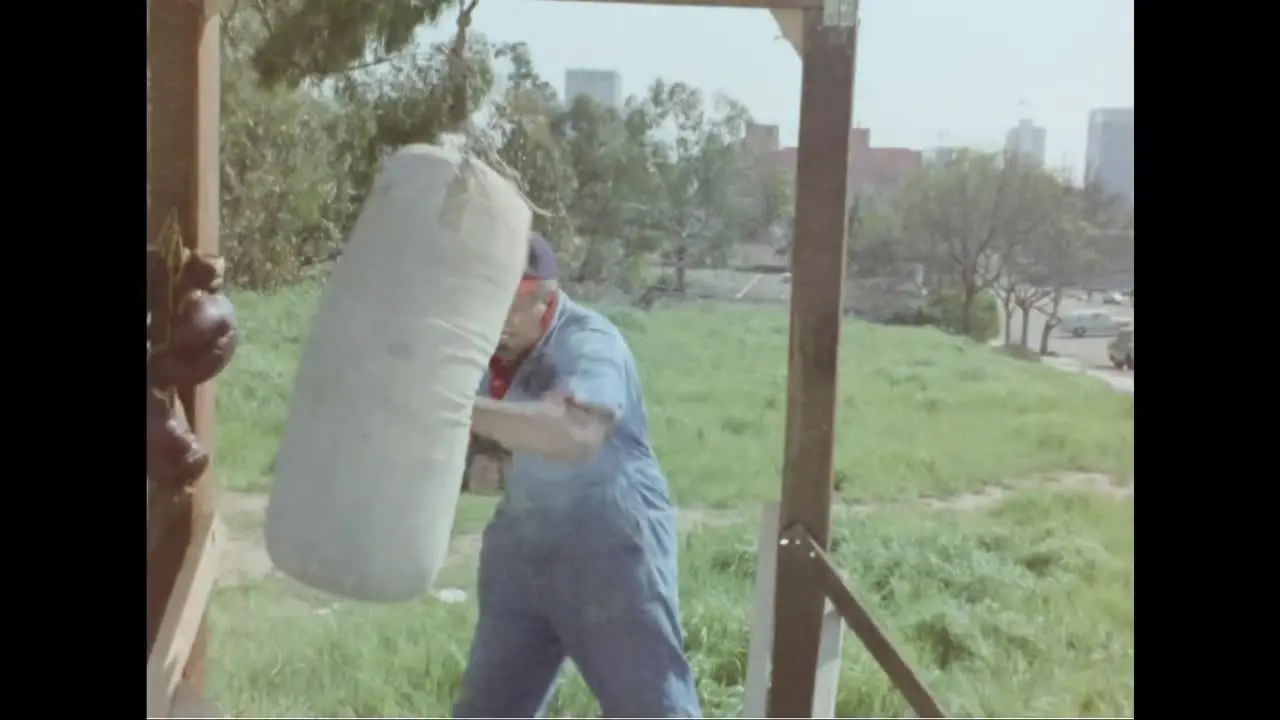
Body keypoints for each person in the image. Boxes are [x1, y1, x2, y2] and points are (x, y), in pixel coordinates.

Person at [454, 232, 702, 719]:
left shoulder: (591, 342)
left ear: (544, 297)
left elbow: (576, 432)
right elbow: (487, 462)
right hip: (522, 552)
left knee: (650, 709)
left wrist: (454, 406)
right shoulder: (485, 351)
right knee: (488, 711)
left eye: (507, 305)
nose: (492, 320)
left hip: (611, 549)